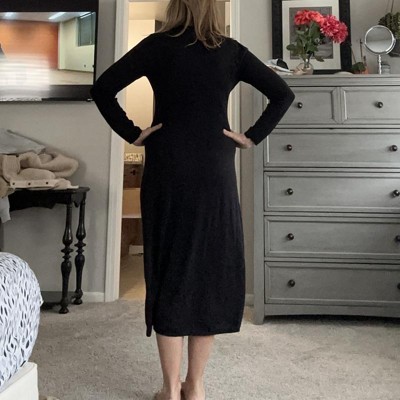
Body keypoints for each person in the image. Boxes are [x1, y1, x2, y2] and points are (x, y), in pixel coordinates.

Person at [90, 0, 295, 399]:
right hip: (214, 171)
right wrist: (250, 136)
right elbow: (282, 94)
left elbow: (102, 89)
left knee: (170, 269)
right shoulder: (230, 51)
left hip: (167, 167)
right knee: (209, 272)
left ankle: (170, 390)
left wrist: (133, 133)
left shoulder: (156, 45)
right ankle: (195, 386)